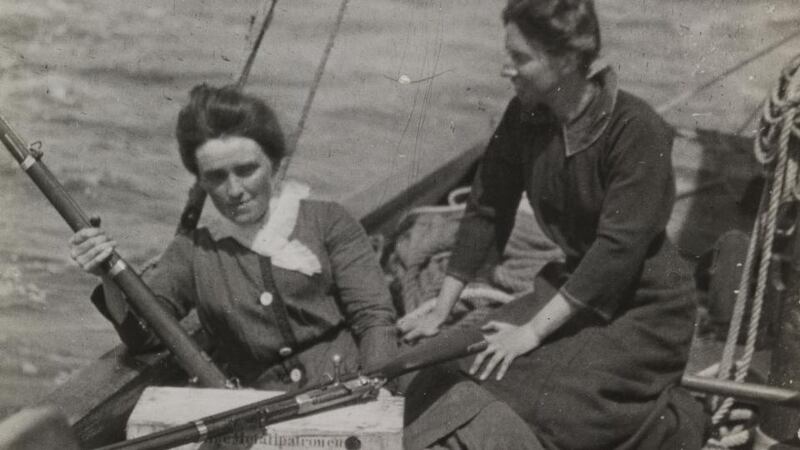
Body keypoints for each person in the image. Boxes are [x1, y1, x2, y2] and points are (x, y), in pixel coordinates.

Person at [397, 0, 706, 448]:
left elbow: (617, 251)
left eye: (520, 58)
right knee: (457, 366)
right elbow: (487, 207)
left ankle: (675, 423)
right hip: (572, 286)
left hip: (645, 305)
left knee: (555, 408)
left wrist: (531, 332)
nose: (508, 70)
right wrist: (441, 312)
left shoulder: (636, 129)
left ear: (565, 61)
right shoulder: (523, 117)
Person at [69, 84, 398, 389]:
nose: (234, 191)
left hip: (354, 391)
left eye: (246, 170)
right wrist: (107, 273)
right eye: (216, 177)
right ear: (201, 181)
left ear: (274, 164)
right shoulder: (192, 251)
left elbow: (374, 319)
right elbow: (145, 335)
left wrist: (371, 395)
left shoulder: (328, 221)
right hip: (263, 419)